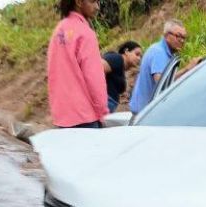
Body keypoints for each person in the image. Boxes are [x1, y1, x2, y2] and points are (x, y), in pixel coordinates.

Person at [47, 0, 107, 128]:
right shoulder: (85, 33)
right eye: (92, 1)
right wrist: (102, 111)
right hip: (84, 117)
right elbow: (94, 79)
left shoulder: (58, 30)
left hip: (62, 116)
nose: (97, 7)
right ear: (79, 2)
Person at [129, 19, 201, 115]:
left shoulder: (163, 52)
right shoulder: (159, 52)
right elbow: (162, 83)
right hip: (145, 115)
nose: (182, 41)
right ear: (167, 36)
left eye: (184, 37)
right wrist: (188, 68)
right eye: (178, 36)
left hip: (145, 111)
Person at [102, 40, 141, 113]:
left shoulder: (120, 67)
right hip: (104, 104)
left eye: (140, 56)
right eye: (137, 54)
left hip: (109, 105)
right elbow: (97, 70)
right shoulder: (117, 58)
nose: (139, 58)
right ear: (126, 51)